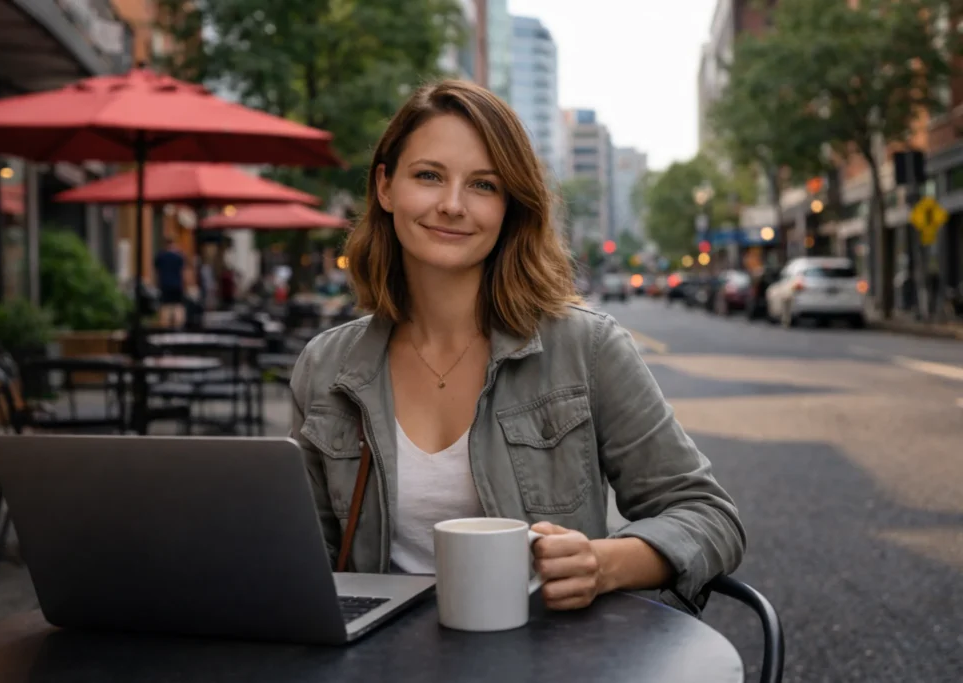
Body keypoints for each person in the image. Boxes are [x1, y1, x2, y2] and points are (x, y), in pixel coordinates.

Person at [290, 80, 745, 614]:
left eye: (483, 185)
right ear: (386, 187)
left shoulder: (587, 348)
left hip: (545, 658)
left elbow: (708, 516)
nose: (453, 205)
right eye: (429, 175)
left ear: (510, 206)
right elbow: (303, 560)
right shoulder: (325, 367)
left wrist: (602, 565)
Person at [153, 235, 187, 328]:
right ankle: (178, 325)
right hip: (177, 285)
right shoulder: (179, 257)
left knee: (165, 306)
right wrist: (185, 285)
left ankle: (165, 326)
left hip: (165, 284)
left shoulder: (160, 256)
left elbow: (156, 272)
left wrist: (157, 283)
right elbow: (183, 272)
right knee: (177, 306)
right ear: (174, 244)